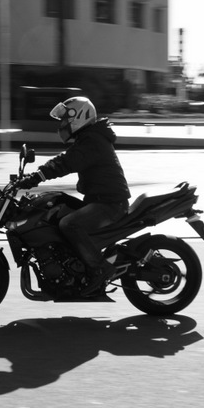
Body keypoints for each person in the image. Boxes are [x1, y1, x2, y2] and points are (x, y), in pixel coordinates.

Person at [16, 96, 130, 296]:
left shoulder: (92, 140)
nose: (62, 124)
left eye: (64, 119)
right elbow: (69, 160)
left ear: (79, 116)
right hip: (101, 201)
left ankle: (100, 269)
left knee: (69, 224)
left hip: (110, 204)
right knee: (58, 211)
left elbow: (66, 162)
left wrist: (36, 177)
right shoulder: (90, 138)